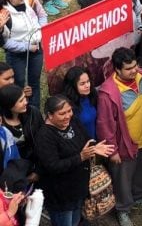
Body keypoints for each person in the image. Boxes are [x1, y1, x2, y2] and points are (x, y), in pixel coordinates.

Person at [35, 95, 115, 226]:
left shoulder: (73, 122)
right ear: (50, 115)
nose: (67, 116)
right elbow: (53, 166)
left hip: (78, 188)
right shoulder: (45, 136)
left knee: (76, 221)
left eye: (69, 111)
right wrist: (81, 157)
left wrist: (94, 147)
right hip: (61, 195)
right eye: (62, 113)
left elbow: (86, 138)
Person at [96, 48, 142, 226]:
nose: (134, 71)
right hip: (125, 144)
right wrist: (112, 150)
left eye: (135, 66)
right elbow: (105, 124)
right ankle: (122, 209)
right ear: (117, 69)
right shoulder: (108, 92)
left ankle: (137, 197)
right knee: (122, 178)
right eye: (128, 69)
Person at [0, 0, 46, 109]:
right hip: (17, 55)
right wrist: (27, 47)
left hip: (37, 50)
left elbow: (42, 16)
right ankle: (19, 112)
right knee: (18, 85)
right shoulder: (4, 14)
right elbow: (5, 43)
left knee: (34, 83)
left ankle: (34, 112)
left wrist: (41, 33)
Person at [62, 66, 98, 138]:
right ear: (73, 86)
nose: (87, 85)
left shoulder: (92, 95)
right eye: (82, 84)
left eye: (88, 81)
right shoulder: (67, 105)